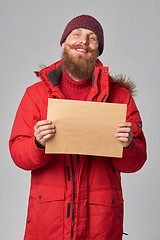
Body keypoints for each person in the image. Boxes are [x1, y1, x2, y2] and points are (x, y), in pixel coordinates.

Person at [9, 15, 147, 240]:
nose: (83, 41)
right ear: (63, 42)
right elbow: (18, 154)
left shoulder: (120, 97)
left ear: (98, 50)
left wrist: (129, 145)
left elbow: (137, 162)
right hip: (48, 223)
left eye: (92, 38)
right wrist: (37, 143)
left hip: (100, 225)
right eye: (77, 34)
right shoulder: (35, 95)